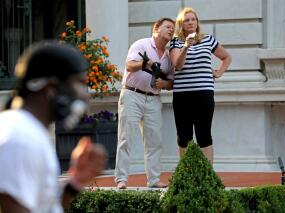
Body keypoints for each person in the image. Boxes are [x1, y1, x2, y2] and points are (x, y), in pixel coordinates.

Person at [0, 41, 106, 212]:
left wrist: (74, 183)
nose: (85, 96)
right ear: (51, 89)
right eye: (79, 83)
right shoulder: (20, 139)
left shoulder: (28, 132)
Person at [115, 17, 175, 189]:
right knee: (126, 138)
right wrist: (144, 63)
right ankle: (121, 179)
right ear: (156, 28)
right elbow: (128, 65)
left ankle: (154, 180)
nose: (171, 30)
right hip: (132, 95)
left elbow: (171, 81)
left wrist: (164, 84)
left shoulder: (169, 57)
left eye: (173, 28)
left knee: (154, 141)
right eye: (167, 27)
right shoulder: (141, 44)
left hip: (154, 99)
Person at [169, 7, 232, 163]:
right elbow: (178, 65)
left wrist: (219, 72)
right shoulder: (176, 42)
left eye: (193, 19)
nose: (190, 22)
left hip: (204, 93)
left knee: (204, 134)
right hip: (182, 95)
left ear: (197, 22)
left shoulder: (208, 39)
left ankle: (207, 176)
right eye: (186, 20)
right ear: (181, 24)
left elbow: (226, 57)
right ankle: (186, 175)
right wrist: (185, 46)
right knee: (184, 136)